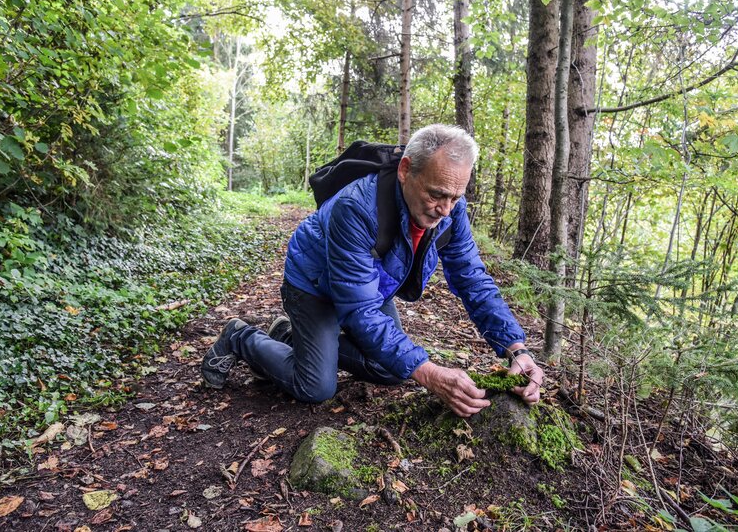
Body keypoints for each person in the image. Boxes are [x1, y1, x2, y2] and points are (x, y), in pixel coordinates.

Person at [201, 124, 544, 417]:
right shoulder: (356, 206)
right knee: (316, 386)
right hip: (313, 284)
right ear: (406, 170)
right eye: (437, 194)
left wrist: (516, 348)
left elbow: (472, 278)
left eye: (455, 197)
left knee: (393, 368)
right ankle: (241, 337)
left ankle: (293, 337)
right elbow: (358, 309)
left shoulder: (451, 209)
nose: (445, 209)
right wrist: (431, 374)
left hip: (371, 282)